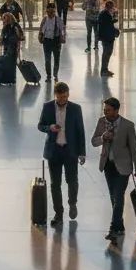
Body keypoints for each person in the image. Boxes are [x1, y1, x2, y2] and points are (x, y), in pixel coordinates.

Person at [91, 97, 136, 245]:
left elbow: (134, 148)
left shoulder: (128, 126)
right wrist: (103, 137)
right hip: (108, 165)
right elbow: (94, 141)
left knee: (118, 196)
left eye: (108, 110)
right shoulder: (102, 122)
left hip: (123, 167)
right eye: (104, 110)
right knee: (114, 197)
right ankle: (119, 226)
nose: (105, 112)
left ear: (116, 110)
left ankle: (113, 228)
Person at [38, 81, 86, 228]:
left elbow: (80, 131)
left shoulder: (76, 109)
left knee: (72, 181)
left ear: (68, 94)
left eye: (65, 97)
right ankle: (58, 214)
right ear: (55, 95)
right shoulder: (47, 107)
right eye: (59, 97)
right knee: (55, 184)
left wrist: (82, 153)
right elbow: (40, 125)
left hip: (70, 151)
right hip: (54, 151)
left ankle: (72, 203)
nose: (62, 100)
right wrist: (50, 127)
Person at [38, 2, 65, 81]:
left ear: (55, 11)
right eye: (49, 12)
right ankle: (48, 75)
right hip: (47, 41)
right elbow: (41, 29)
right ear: (46, 11)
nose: (50, 14)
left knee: (56, 59)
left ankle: (55, 74)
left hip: (56, 41)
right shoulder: (45, 19)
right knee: (47, 60)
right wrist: (40, 36)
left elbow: (62, 30)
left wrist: (63, 37)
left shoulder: (58, 20)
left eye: (52, 12)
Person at [96, 0, 118, 76]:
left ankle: (105, 69)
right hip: (107, 37)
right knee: (106, 53)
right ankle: (104, 70)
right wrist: (115, 31)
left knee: (107, 53)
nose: (113, 9)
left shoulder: (105, 13)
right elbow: (108, 25)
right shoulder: (105, 14)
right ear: (109, 7)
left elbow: (109, 23)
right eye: (112, 7)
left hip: (106, 36)